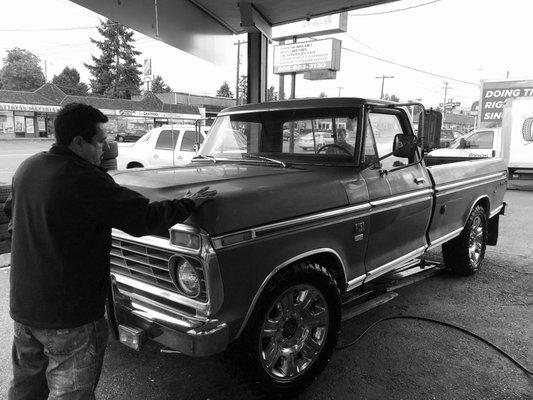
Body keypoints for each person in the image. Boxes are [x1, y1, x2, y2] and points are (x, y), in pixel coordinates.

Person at [3, 103, 216, 400]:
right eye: (100, 141)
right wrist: (189, 203)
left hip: (25, 308)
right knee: (72, 393)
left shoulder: (29, 167)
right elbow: (144, 218)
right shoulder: (83, 178)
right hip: (70, 316)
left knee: (25, 387)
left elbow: (11, 214)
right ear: (78, 142)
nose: (105, 150)